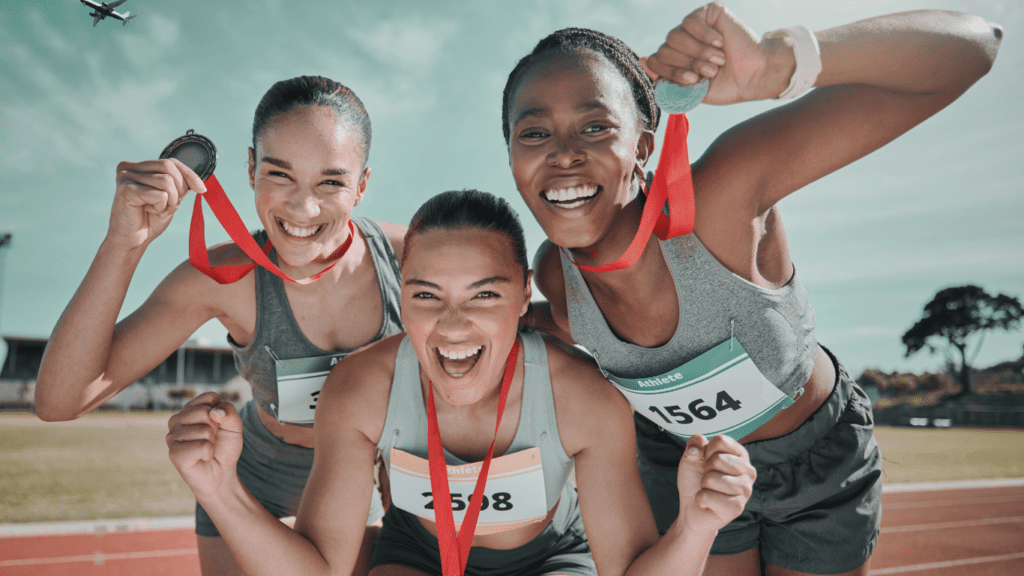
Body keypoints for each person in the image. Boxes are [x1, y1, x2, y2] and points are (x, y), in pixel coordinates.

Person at [502, 4, 1002, 575]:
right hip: (689, 464)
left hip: (815, 462)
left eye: (596, 126)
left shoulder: (721, 198)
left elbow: (975, 46)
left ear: (642, 148)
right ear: (513, 158)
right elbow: (561, 321)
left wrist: (782, 62)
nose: (564, 152)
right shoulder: (552, 275)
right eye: (534, 133)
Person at [166, 189, 757, 576]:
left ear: (525, 293)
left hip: (549, 560)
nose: (453, 325)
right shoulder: (360, 387)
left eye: (485, 295)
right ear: (403, 295)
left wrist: (695, 526)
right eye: (426, 296)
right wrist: (220, 492)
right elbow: (319, 570)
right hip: (415, 556)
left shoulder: (582, 396)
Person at [35, 75, 405, 576]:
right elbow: (60, 401)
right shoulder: (223, 278)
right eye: (280, 174)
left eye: (331, 181)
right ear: (251, 169)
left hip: (356, 476)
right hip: (252, 473)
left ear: (361, 185)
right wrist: (124, 243)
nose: (302, 207)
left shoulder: (413, 259)